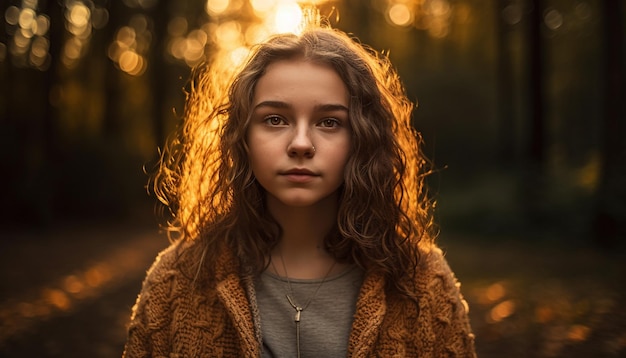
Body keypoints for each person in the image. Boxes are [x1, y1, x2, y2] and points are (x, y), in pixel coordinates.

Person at [123, 18, 476, 358]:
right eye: (275, 119)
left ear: (363, 139)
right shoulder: (179, 277)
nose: (301, 144)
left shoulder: (423, 281)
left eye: (329, 122)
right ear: (242, 136)